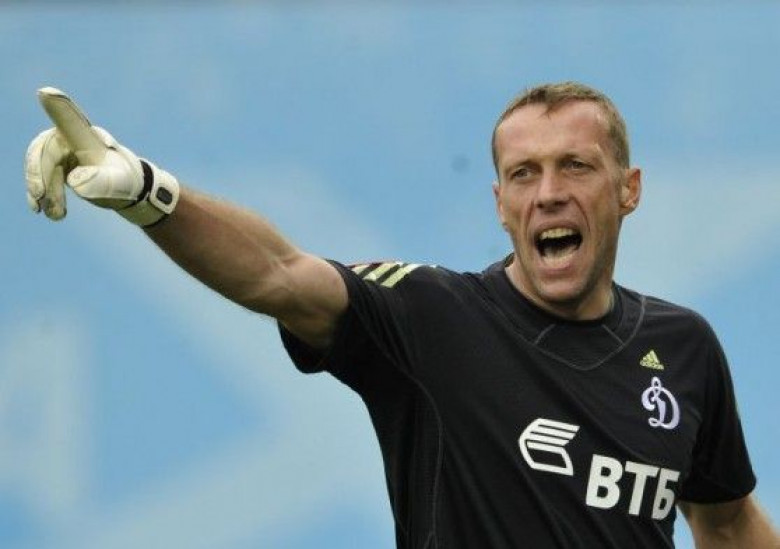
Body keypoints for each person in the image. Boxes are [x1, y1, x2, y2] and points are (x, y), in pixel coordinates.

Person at [25, 82, 778, 548]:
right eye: (524, 173)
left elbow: (726, 522)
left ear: (628, 189)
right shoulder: (432, 316)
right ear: (501, 203)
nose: (549, 192)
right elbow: (278, 273)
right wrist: (149, 194)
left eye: (575, 166)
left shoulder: (683, 347)